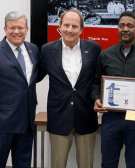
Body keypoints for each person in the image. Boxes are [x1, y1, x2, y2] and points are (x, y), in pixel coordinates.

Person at [92, 11, 135, 168]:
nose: (125, 29)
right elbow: (96, 83)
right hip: (110, 118)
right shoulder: (105, 54)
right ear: (117, 29)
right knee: (108, 163)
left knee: (134, 163)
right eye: (122, 25)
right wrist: (96, 99)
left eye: (130, 26)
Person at [38, 9, 101, 168]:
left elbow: (98, 79)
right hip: (59, 117)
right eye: (66, 25)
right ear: (59, 26)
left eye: (74, 26)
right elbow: (35, 76)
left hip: (86, 116)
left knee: (86, 165)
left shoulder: (94, 48)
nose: (70, 30)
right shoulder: (47, 50)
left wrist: (99, 98)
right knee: (57, 164)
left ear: (81, 29)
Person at [0, 11, 40, 168]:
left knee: (23, 164)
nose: (16, 32)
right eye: (12, 28)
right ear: (5, 29)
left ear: (27, 29)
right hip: (0, 124)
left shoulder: (33, 50)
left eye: (20, 27)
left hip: (26, 123)